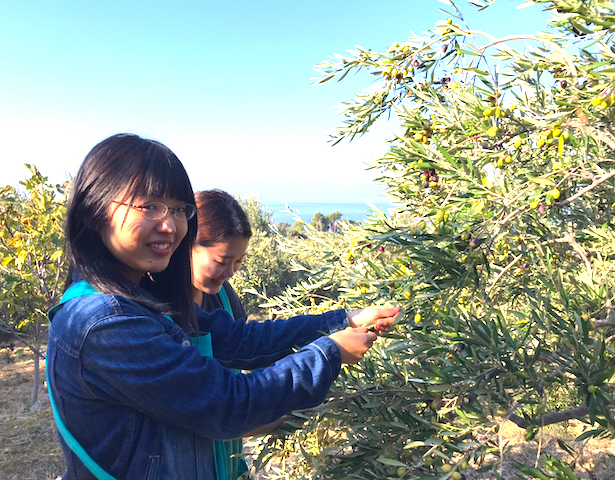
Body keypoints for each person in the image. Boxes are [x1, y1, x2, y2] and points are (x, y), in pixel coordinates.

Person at [46, 133, 399, 479]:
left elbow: (243, 340)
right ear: (94, 210)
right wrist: (330, 353)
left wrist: (344, 319)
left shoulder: (143, 303)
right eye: (150, 206)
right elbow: (228, 405)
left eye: (179, 209)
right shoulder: (105, 322)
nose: (170, 225)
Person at [191, 189, 251, 320]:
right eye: (221, 262)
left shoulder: (224, 296)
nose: (230, 273)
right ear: (188, 248)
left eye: (238, 261)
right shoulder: (154, 305)